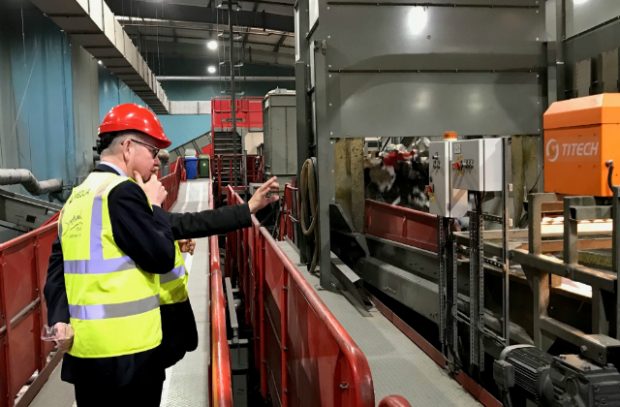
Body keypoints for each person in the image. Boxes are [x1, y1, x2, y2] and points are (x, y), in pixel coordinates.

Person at [43, 103, 279, 406]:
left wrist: (247, 209)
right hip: (129, 357)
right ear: (128, 147)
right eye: (153, 152)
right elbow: (160, 256)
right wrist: (154, 206)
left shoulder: (80, 196)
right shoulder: (123, 193)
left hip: (86, 356)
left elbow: (56, 269)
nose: (157, 163)